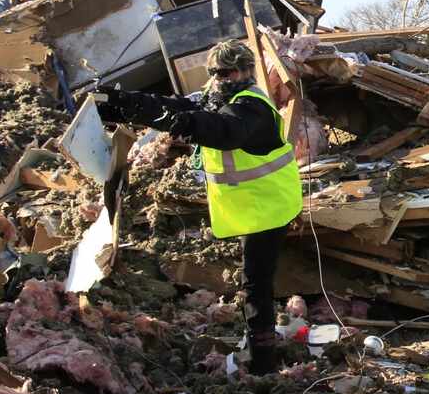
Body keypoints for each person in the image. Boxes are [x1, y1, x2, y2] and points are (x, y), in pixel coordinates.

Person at [95, 41, 302, 375]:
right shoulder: (220, 97)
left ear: (245, 71)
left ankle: (263, 360)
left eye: (227, 72)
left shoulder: (252, 107)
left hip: (269, 207)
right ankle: (258, 348)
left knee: (255, 284)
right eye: (215, 73)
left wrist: (179, 124)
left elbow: (221, 131)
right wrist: (122, 104)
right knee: (255, 281)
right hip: (254, 205)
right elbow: (175, 104)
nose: (220, 78)